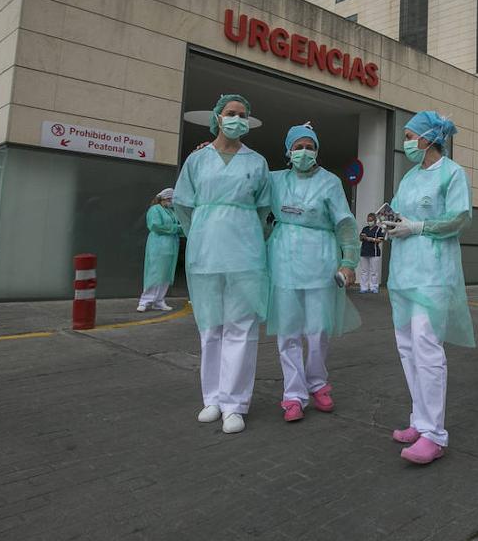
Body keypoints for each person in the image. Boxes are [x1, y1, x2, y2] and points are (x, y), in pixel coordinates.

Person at [172, 94, 271, 435]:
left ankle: (234, 403)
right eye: (231, 113)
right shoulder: (197, 160)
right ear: (217, 117)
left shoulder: (256, 162)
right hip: (206, 254)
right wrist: (200, 234)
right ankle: (212, 398)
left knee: (241, 328)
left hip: (245, 254)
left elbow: (261, 210)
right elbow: (183, 206)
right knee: (210, 328)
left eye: (243, 115)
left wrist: (243, 233)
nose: (237, 119)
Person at [383, 111, 474, 465]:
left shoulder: (452, 173)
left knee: (426, 344)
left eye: (409, 135)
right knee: (407, 346)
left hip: (434, 272)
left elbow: (459, 218)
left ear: (428, 138)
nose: (405, 142)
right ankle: (419, 421)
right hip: (403, 271)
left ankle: (435, 434)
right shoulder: (409, 177)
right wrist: (390, 224)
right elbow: (400, 213)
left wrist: (417, 227)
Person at [265, 123, 361, 422]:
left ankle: (317, 383)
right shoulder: (273, 180)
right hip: (282, 258)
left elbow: (344, 222)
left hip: (320, 258)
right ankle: (293, 394)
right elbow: (242, 185)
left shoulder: (330, 182)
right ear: (288, 151)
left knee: (317, 329)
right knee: (288, 330)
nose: (304, 152)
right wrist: (208, 151)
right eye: (298, 147)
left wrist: (349, 261)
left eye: (310, 147)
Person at [138, 187, 180, 312]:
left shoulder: (171, 211)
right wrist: (176, 228)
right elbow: (155, 225)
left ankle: (159, 301)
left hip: (171, 245)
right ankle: (145, 301)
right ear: (164, 198)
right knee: (154, 272)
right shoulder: (155, 210)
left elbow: (179, 226)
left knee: (166, 274)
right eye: (170, 199)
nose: (171, 202)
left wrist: (180, 228)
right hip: (158, 245)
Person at [357, 213, 386, 294]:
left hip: (374, 252)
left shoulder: (378, 229)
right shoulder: (365, 228)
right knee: (364, 271)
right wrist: (362, 237)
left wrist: (370, 239)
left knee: (374, 271)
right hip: (364, 251)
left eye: (371, 220)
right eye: (368, 220)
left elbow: (380, 240)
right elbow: (360, 238)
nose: (369, 222)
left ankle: (374, 287)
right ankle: (364, 287)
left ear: (375, 220)